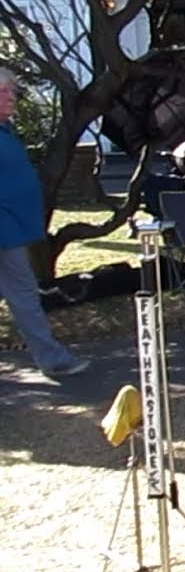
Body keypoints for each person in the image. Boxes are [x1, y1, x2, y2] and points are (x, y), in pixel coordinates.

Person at [0, 69, 89, 379]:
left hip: (12, 233)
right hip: (3, 232)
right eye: (4, 92)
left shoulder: (5, 131)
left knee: (23, 294)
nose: (11, 97)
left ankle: (52, 359)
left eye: (12, 92)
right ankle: (53, 359)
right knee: (23, 294)